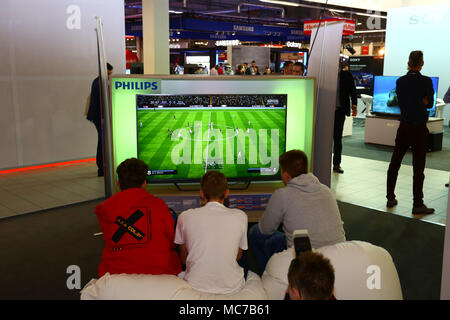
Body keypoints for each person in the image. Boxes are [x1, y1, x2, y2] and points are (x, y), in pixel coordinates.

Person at [248, 150, 346, 275]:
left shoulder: (282, 195)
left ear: (287, 175)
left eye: (282, 171)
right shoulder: (326, 190)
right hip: (338, 256)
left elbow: (265, 230)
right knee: (281, 237)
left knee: (254, 233)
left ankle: (266, 274)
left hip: (306, 259)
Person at [94, 158, 182, 278]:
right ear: (144, 183)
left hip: (115, 275)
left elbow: (109, 240)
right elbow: (172, 240)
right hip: (159, 274)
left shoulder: (104, 208)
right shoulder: (158, 205)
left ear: (118, 184)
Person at [174, 171, 248, 294]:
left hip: (194, 285)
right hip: (232, 287)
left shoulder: (184, 216)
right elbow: (238, 256)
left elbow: (183, 258)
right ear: (227, 193)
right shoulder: (241, 216)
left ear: (202, 193)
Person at [386, 50, 435, 215]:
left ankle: (390, 197)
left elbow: (401, 102)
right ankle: (417, 204)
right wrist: (422, 101)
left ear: (409, 62)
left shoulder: (400, 82)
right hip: (419, 128)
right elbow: (429, 104)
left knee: (395, 163)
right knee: (418, 168)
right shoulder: (426, 81)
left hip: (404, 126)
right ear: (421, 63)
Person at [86, 62, 113, 177]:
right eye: (109, 72)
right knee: (103, 142)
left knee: (102, 141)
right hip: (100, 116)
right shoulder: (101, 83)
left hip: (96, 116)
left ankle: (102, 167)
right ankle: (101, 168)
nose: (110, 75)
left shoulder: (96, 81)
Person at [332, 59, 357, 174]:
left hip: (339, 111)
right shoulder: (325, 75)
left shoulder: (346, 75)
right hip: (325, 111)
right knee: (323, 139)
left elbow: (353, 91)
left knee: (337, 139)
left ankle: (336, 164)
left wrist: (354, 105)